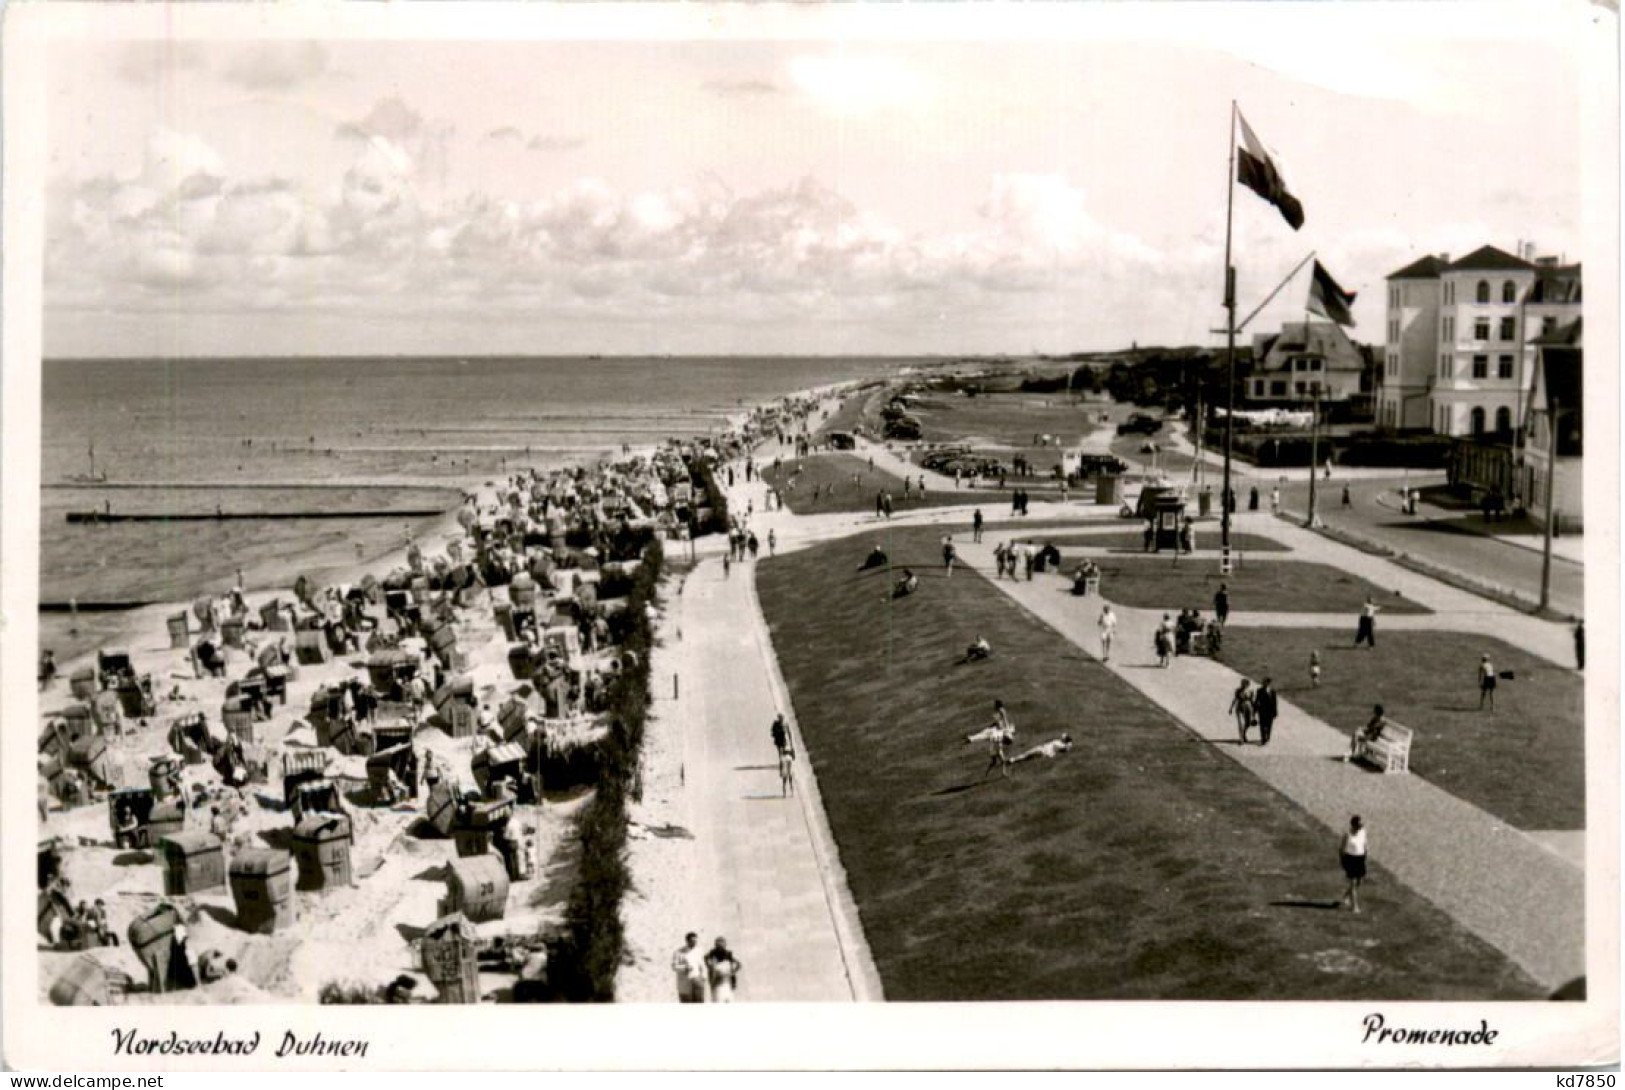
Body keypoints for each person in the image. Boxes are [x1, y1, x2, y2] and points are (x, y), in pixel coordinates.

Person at [1339, 816, 1368, 913]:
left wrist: (1365, 855)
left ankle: (1346, 896)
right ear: (1354, 825)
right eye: (1359, 825)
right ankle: (1355, 906)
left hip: (1360, 858)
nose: (1360, 827)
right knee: (1353, 882)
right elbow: (1341, 849)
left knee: (1359, 881)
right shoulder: (1347, 834)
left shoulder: (1363, 832)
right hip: (1350, 858)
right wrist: (1342, 861)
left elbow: (1364, 845)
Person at [672, 932, 707, 1003]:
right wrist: (685, 968)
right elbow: (674, 966)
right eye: (692, 941)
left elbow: (703, 965)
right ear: (687, 941)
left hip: (697, 981)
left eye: (695, 941)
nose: (694, 943)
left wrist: (703, 978)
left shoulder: (699, 951)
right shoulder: (678, 952)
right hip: (685, 982)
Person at [705, 938, 742, 1003]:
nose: (721, 947)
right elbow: (706, 959)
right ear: (716, 945)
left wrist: (733, 972)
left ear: (725, 945)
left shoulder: (728, 954)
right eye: (718, 945)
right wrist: (711, 967)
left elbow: (739, 964)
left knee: (728, 1000)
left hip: (728, 983)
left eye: (722, 945)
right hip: (717, 983)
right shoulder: (712, 954)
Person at [1253, 678, 1279, 746]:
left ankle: (1267, 736)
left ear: (1269, 683)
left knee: (1269, 725)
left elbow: (1275, 702)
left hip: (1270, 711)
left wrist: (1275, 711)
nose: (1264, 684)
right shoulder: (1259, 691)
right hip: (1262, 710)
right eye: (1263, 682)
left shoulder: (1273, 691)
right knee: (1262, 725)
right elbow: (1256, 700)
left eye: (1266, 682)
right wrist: (1254, 711)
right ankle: (1263, 738)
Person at [1229, 678, 1255, 744]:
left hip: (1248, 707)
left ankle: (1244, 733)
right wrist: (1231, 708)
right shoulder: (1238, 690)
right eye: (1242, 684)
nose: (1243, 685)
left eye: (1245, 684)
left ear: (1248, 685)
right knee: (1241, 723)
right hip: (1239, 707)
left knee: (1248, 723)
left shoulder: (1251, 691)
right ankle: (1241, 739)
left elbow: (1252, 701)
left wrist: (1253, 710)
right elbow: (1235, 699)